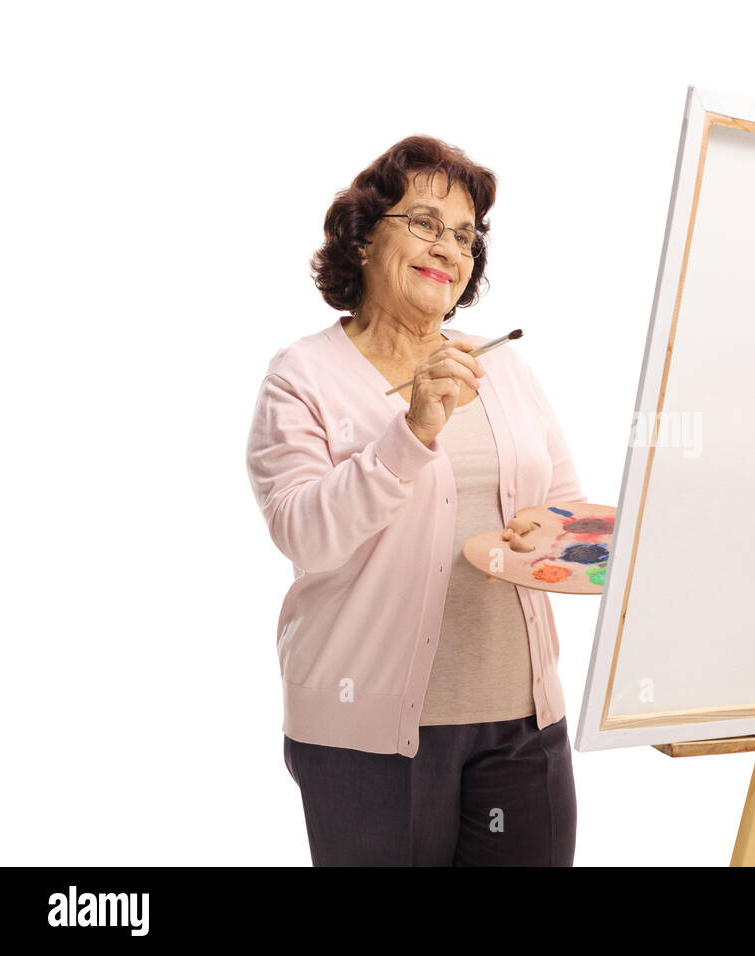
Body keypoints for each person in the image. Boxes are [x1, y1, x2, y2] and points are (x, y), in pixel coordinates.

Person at [245, 135, 583, 866]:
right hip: (364, 737)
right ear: (365, 240)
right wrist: (414, 428)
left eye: (465, 235)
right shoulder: (301, 377)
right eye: (425, 222)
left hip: (523, 726)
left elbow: (564, 505)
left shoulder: (504, 365)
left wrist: (546, 530)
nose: (450, 248)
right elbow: (307, 534)